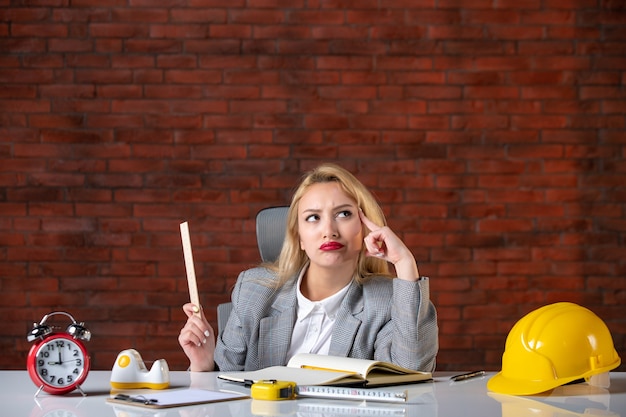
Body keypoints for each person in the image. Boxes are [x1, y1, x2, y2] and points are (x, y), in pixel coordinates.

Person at [178, 163, 438, 372]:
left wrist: (405, 263)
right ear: (299, 237)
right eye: (313, 218)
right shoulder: (253, 291)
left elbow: (411, 372)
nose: (329, 231)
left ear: (365, 227)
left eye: (344, 214)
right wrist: (203, 364)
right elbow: (225, 389)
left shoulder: (387, 300)